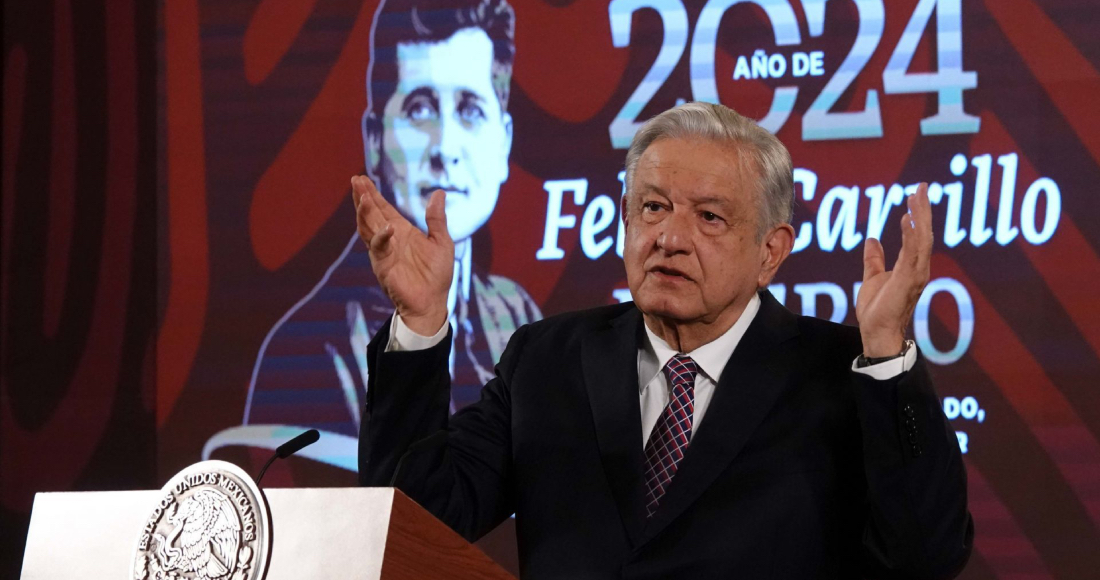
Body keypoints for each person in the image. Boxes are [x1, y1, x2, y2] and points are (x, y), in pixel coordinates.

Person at [354, 102, 973, 578]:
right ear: (626, 217)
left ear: (770, 252)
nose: (670, 239)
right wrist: (420, 323)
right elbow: (414, 520)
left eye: (709, 217)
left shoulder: (837, 375)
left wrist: (886, 353)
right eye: (653, 208)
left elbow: (927, 556)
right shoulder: (547, 359)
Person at [203, 0, 539, 471]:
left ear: (503, 142)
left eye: (469, 110)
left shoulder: (518, 319)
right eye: (420, 109)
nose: (444, 146)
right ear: (374, 140)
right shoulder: (304, 354)